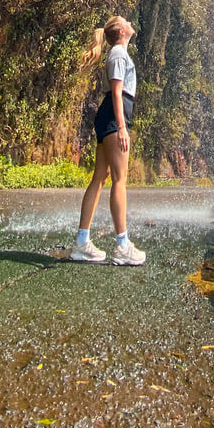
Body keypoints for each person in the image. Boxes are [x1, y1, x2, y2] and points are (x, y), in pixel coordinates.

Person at [69, 15, 146, 266]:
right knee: (119, 179)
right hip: (114, 117)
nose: (130, 22)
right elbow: (116, 91)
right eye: (126, 21)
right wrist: (122, 127)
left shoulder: (118, 53)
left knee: (100, 178)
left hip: (110, 117)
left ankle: (82, 242)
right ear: (122, 31)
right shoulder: (117, 54)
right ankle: (123, 246)